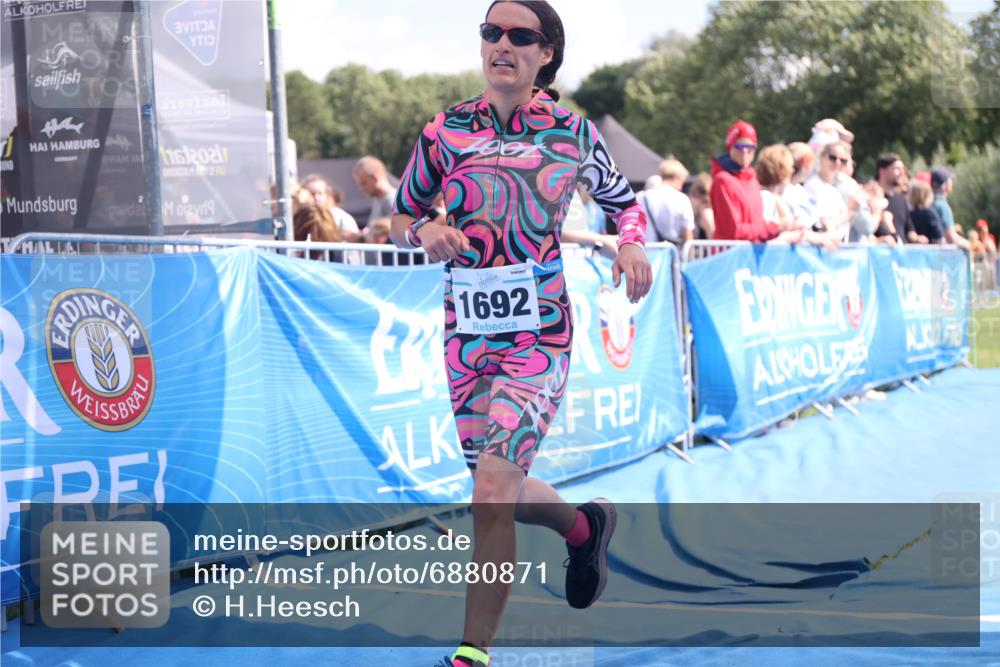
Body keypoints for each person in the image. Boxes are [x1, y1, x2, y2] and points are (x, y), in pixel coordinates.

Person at [389, 4, 652, 666]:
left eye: (519, 36)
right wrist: (424, 231)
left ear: (546, 54)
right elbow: (401, 213)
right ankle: (587, 525)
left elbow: (625, 204)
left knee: (489, 495)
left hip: (539, 334)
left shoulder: (571, 131)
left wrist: (630, 246)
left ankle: (472, 653)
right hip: (467, 335)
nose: (501, 44)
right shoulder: (444, 130)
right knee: (494, 487)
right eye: (491, 32)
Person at [709, 119, 778, 242]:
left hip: (751, 255)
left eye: (750, 147)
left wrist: (783, 229)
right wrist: (773, 228)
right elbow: (735, 231)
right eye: (740, 146)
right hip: (731, 256)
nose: (745, 151)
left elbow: (756, 222)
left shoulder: (752, 178)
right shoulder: (722, 180)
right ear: (730, 147)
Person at [636, 158, 695, 244]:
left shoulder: (640, 197)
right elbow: (688, 236)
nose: (681, 187)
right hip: (671, 253)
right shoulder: (682, 199)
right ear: (676, 177)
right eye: (682, 181)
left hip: (643, 251)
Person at [874, 152, 925, 244]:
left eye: (902, 169)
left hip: (900, 254)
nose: (902, 173)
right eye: (897, 168)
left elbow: (909, 229)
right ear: (882, 171)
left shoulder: (900, 198)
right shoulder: (872, 197)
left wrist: (916, 238)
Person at [805, 141, 850, 241]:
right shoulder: (813, 185)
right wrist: (847, 215)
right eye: (833, 158)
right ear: (821, 158)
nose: (838, 163)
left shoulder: (834, 190)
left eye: (843, 160)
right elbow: (820, 223)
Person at [300, 173, 361, 241]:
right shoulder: (299, 219)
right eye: (312, 194)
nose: (316, 197)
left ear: (327, 194)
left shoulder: (342, 218)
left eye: (320, 193)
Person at [931, 167, 971, 251]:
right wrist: (969, 245)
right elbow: (951, 238)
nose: (952, 182)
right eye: (950, 180)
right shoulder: (942, 206)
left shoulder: (930, 203)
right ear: (944, 185)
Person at [353, 156, 398, 230]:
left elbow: (393, 232)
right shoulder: (378, 200)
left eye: (363, 183)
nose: (361, 189)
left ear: (375, 178)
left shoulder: (393, 200)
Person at [687, 173, 715, 240]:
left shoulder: (707, 214)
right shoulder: (699, 214)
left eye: (692, 194)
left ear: (697, 194)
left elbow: (712, 241)